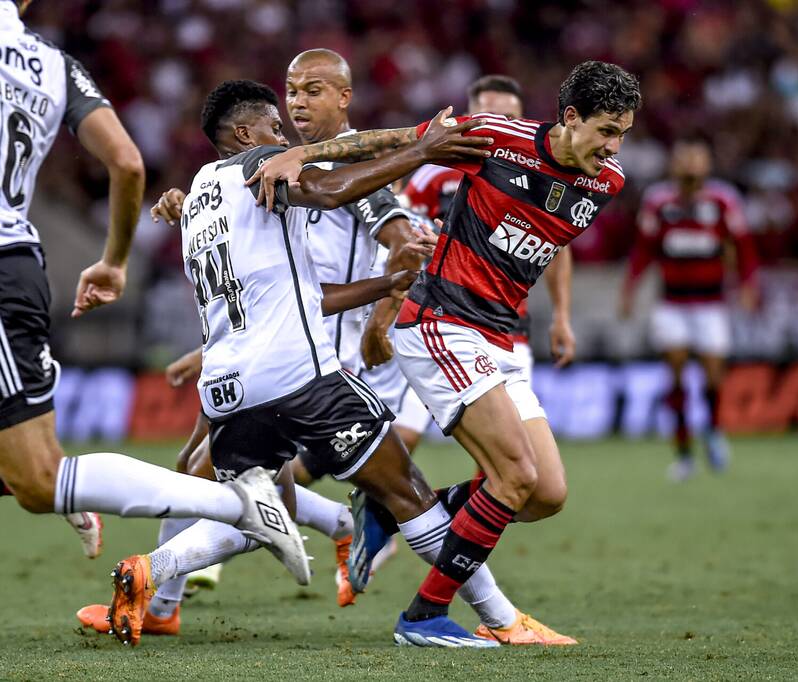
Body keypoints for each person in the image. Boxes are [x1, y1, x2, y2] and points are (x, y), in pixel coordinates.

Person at [101, 79, 548, 649]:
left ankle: (150, 572)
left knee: (266, 514)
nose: (282, 134)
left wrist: (386, 283)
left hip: (231, 389)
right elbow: (331, 191)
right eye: (272, 123)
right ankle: (495, 619)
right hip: (301, 378)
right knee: (406, 490)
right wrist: (420, 151)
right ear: (244, 134)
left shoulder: (195, 202)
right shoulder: (260, 166)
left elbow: (302, 292)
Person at [249, 60, 641, 647]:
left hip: (500, 337)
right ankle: (425, 616)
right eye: (607, 131)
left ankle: (391, 509)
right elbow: (398, 141)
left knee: (546, 495)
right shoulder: (498, 139)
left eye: (623, 135)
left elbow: (545, 236)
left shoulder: (606, 183)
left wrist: (556, 315)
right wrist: (301, 156)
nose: (614, 148)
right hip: (442, 322)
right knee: (514, 477)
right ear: (570, 118)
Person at [0, 0, 315, 607]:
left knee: (40, 480)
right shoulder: (52, 66)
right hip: (18, 259)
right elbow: (125, 161)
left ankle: (236, 504)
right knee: (40, 477)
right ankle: (68, 485)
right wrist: (114, 261)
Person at [386, 74, 576, 455]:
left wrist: (561, 316)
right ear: (471, 117)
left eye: (512, 116)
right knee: (404, 439)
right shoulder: (433, 174)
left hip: (509, 328)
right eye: (491, 115)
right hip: (441, 316)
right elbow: (397, 235)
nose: (502, 125)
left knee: (512, 458)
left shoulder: (542, 176)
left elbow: (558, 247)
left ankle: (439, 515)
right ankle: (392, 511)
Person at [619, 134, 758, 481]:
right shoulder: (658, 200)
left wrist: (747, 285)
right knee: (676, 375)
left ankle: (712, 428)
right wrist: (630, 289)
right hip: (673, 303)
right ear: (674, 163)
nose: (690, 165)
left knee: (712, 377)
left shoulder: (723, 199)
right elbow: (643, 250)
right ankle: (683, 455)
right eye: (684, 158)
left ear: (707, 163)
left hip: (711, 303)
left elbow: (745, 248)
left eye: (696, 158)